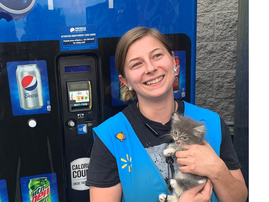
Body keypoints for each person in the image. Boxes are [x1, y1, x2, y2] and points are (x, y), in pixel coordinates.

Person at [86, 27, 248, 202]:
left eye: (157, 56)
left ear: (173, 61)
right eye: (136, 64)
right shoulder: (110, 137)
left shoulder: (211, 123)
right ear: (125, 81)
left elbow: (239, 198)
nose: (150, 68)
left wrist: (217, 170)